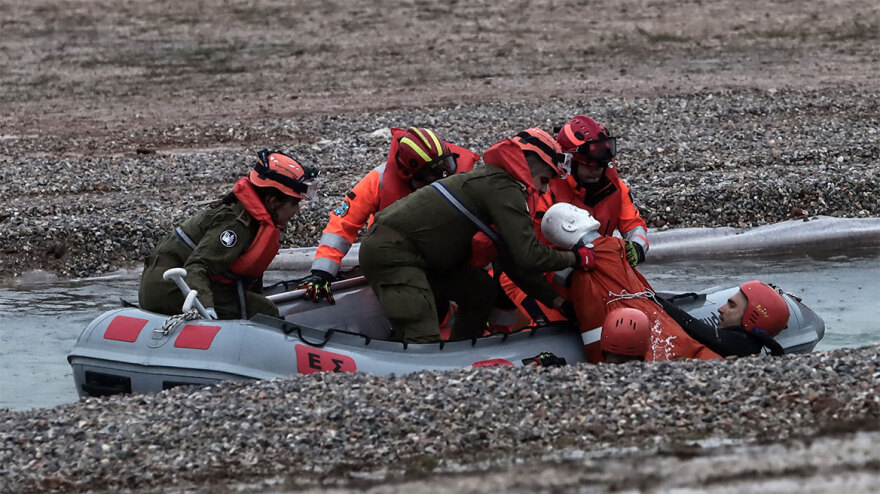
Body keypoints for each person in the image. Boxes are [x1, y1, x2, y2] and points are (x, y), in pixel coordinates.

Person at [359, 128, 592, 344]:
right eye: (544, 180)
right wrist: (576, 258)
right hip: (393, 253)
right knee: (421, 331)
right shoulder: (504, 188)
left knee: (480, 289)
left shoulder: (497, 183)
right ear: (532, 165)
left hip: (415, 254)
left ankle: (461, 350)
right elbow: (529, 255)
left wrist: (557, 302)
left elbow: (513, 262)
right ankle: (422, 356)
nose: (543, 190)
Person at [499, 115, 650, 329]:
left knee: (632, 313)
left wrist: (637, 246)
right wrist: (576, 270)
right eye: (588, 165)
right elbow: (527, 256)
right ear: (570, 162)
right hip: (531, 279)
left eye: (600, 165)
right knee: (554, 327)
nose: (596, 170)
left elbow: (634, 224)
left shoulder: (617, 189)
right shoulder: (543, 193)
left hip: (589, 273)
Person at [297, 127, 479, 304]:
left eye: (445, 168)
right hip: (391, 256)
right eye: (430, 176)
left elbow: (482, 233)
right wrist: (322, 271)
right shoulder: (379, 180)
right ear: (408, 174)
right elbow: (343, 223)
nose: (440, 180)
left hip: (444, 258)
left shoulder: (463, 180)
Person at [139, 149, 319, 320]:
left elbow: (249, 274)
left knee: (258, 305)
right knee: (264, 310)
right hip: (167, 286)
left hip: (185, 282)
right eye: (294, 203)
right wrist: (207, 309)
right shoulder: (235, 224)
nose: (297, 210)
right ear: (273, 202)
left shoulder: (256, 223)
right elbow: (197, 267)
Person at [540, 202, 722, 362]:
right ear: (569, 226)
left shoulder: (585, 267)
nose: (583, 211)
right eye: (576, 211)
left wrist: (636, 246)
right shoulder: (610, 249)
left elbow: (633, 224)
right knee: (690, 350)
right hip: (635, 328)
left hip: (600, 336)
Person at [656, 281, 789, 357]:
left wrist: (655, 300)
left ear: (751, 318)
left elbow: (697, 328)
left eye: (732, 305)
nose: (720, 309)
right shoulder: (749, 345)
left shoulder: (742, 344)